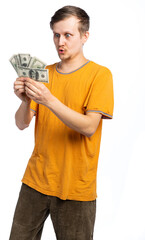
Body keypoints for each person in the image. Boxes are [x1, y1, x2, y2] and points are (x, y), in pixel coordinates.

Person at [9, 5, 114, 240]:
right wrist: (25, 101)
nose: (60, 42)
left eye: (68, 35)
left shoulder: (100, 75)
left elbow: (89, 127)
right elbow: (21, 123)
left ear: (85, 36)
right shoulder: (43, 72)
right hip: (35, 180)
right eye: (56, 35)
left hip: (76, 186)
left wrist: (49, 99)